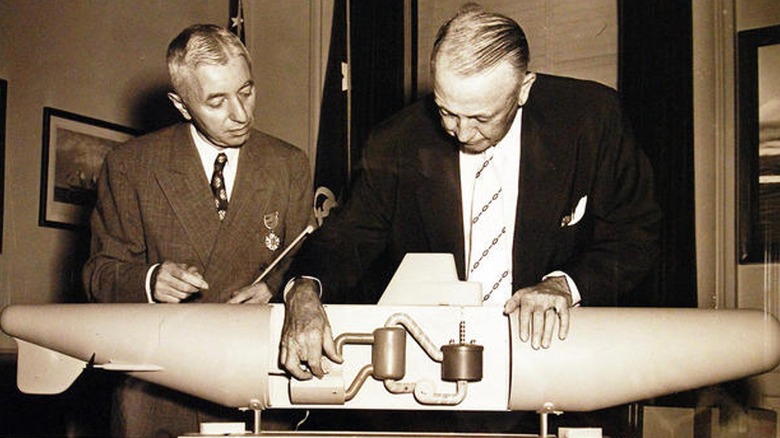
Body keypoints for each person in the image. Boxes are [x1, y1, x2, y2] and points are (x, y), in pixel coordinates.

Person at [280, 2, 660, 388]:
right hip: (435, 374)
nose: (460, 133)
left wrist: (564, 284)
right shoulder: (396, 141)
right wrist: (305, 287)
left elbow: (635, 235)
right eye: (446, 111)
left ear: (523, 89)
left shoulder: (591, 120)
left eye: (480, 118)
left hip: (554, 367)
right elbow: (348, 237)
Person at [83, 24, 313, 437]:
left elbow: (306, 263)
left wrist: (275, 289)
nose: (241, 114)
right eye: (217, 101)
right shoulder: (131, 165)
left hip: (257, 382)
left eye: (247, 91)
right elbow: (99, 274)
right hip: (158, 389)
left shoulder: (289, 164)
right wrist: (150, 281)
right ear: (182, 104)